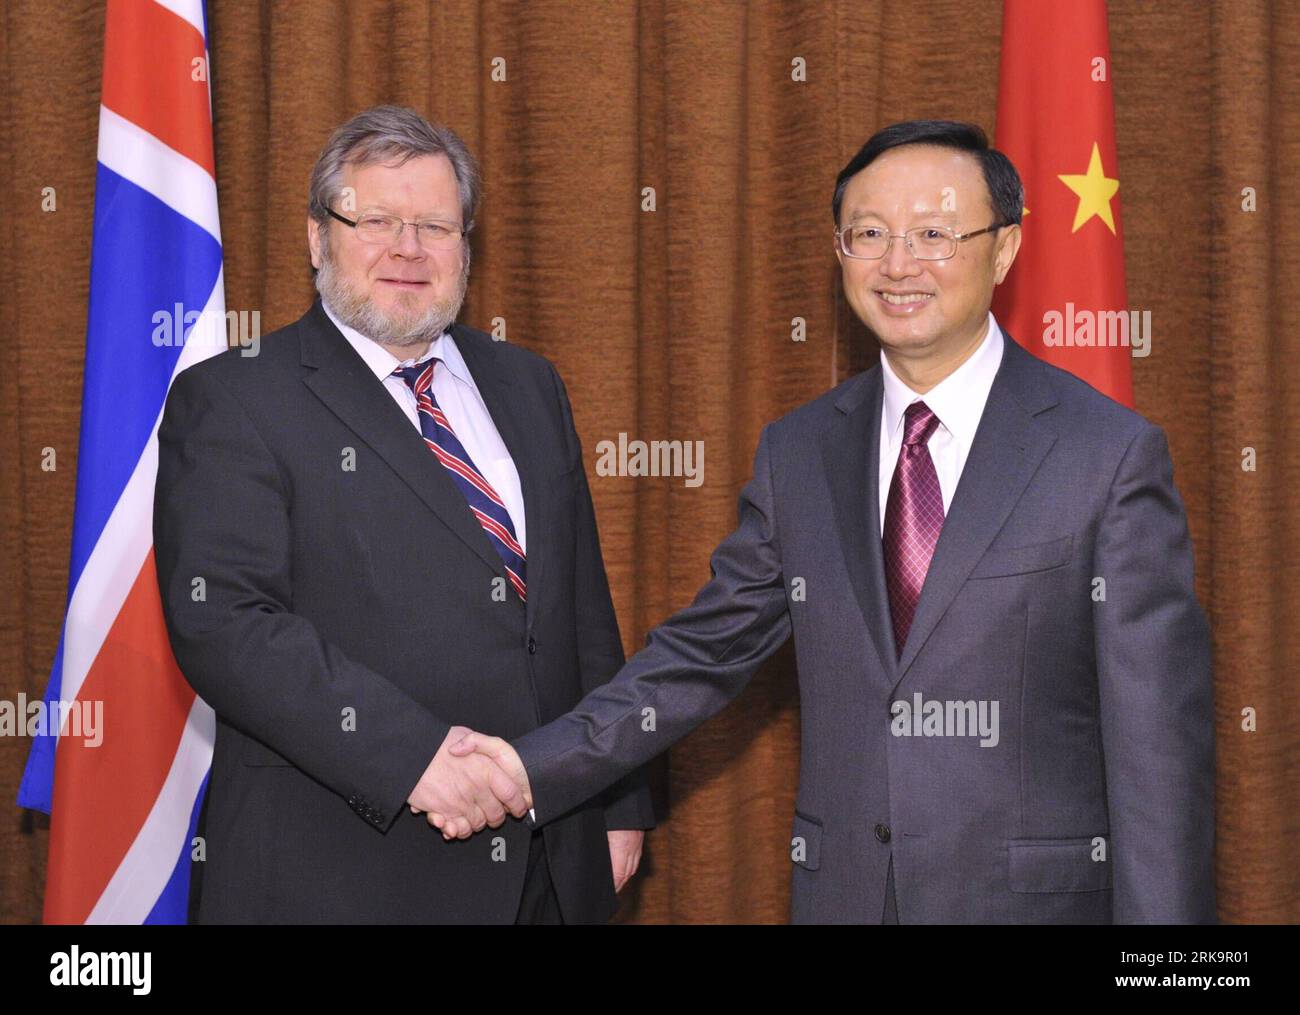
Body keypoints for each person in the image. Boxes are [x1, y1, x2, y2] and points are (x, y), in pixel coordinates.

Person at [449, 120, 1216, 924]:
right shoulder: (801, 450)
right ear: (839, 252)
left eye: (934, 233)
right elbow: (699, 656)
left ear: (1004, 249)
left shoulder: (1106, 454)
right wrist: (529, 765)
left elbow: (1157, 757)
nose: (899, 263)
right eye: (870, 234)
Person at [153, 105, 653, 924]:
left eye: (434, 225)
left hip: (549, 859)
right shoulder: (235, 397)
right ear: (319, 238)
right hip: (344, 870)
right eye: (377, 220)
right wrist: (418, 756)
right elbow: (228, 623)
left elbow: (579, 609)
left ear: (466, 247)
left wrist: (620, 792)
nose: (408, 248)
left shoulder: (531, 385)